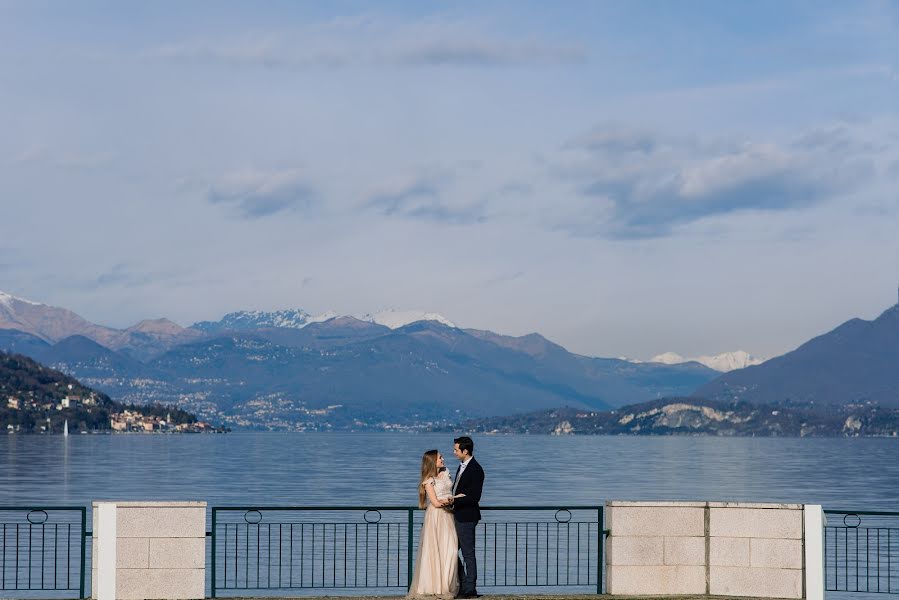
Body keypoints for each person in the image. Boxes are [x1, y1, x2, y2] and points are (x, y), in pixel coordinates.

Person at [407, 450, 459, 600]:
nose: (443, 459)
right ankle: (433, 586)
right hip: (437, 516)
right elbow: (435, 503)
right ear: (432, 461)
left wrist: (451, 499)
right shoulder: (429, 480)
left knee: (450, 549)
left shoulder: (446, 472)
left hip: (448, 516)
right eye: (440, 457)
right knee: (434, 550)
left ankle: (445, 585)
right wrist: (452, 500)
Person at [451, 436, 485, 599]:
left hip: (466, 517)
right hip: (456, 515)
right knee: (450, 551)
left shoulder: (476, 469)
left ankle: (470, 589)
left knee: (468, 553)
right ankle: (463, 584)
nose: (454, 452)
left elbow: (474, 497)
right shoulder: (461, 466)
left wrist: (454, 499)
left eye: (456, 450)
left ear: (465, 451)